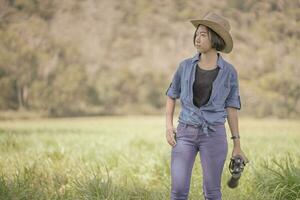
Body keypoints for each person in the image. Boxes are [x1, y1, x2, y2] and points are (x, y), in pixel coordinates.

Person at [165, 11, 249, 200]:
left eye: (204, 34)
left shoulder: (229, 72)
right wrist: (169, 126)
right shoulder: (185, 66)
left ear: (216, 39)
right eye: (197, 33)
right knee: (177, 191)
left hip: (214, 135)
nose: (197, 38)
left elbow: (232, 108)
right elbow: (171, 95)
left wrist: (237, 144)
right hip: (185, 134)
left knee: (212, 192)